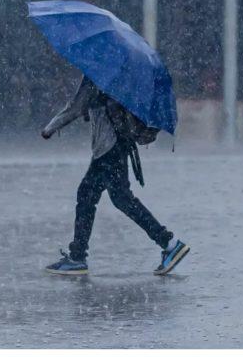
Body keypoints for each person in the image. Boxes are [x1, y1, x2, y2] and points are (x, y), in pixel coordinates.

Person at [41, 76, 189, 275]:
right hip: (118, 145)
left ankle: (78, 257)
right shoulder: (118, 77)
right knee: (118, 199)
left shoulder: (96, 75)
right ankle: (169, 243)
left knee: (91, 196)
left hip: (108, 149)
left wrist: (49, 128)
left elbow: (75, 108)